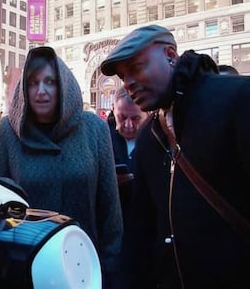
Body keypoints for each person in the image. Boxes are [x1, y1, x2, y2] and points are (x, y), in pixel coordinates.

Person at [100, 24, 250, 288]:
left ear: (170, 55)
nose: (128, 83)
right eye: (123, 76)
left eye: (136, 67)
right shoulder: (150, 137)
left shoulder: (237, 100)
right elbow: (141, 233)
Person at [0, 46, 123, 288]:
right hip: (25, 270)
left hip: (84, 269)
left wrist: (109, 271)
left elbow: (110, 208)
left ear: (63, 85)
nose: (41, 91)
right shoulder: (7, 132)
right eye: (33, 82)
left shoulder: (94, 129)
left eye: (50, 81)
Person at [108, 86, 147, 223]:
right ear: (113, 108)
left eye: (136, 118)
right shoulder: (101, 137)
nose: (129, 125)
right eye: (122, 117)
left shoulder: (158, 139)